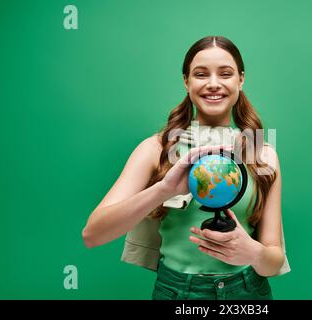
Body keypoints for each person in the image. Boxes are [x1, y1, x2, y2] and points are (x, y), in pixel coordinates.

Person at [82, 35, 290, 300]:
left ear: (241, 79)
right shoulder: (156, 149)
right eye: (201, 74)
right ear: (186, 81)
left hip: (248, 294)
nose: (213, 84)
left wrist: (253, 252)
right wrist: (163, 189)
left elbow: (273, 260)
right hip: (178, 294)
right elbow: (93, 234)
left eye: (225, 74)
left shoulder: (262, 154)